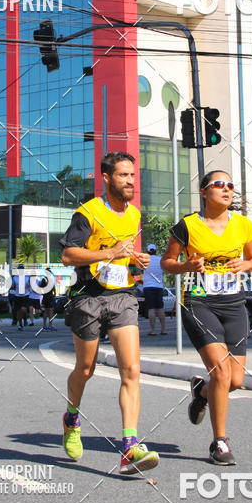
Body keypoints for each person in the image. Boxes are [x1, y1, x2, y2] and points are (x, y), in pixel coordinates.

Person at [60, 151, 159, 476]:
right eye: (123, 175)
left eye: (132, 175)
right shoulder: (88, 212)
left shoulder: (133, 216)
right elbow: (68, 255)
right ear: (106, 178)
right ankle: (72, 417)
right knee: (85, 369)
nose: (130, 181)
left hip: (122, 296)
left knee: (131, 370)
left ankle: (130, 447)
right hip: (87, 297)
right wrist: (109, 252)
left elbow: (124, 255)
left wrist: (134, 260)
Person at [161, 170, 252, 466]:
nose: (227, 189)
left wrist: (245, 265)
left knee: (236, 380)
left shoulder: (244, 226)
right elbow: (167, 263)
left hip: (234, 304)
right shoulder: (188, 226)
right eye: (219, 184)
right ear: (204, 192)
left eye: (230, 185)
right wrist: (186, 265)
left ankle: (201, 391)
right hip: (199, 303)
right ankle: (220, 442)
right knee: (221, 373)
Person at [142, 243, 166, 336]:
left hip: (148, 287)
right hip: (159, 286)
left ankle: (153, 330)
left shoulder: (145, 260)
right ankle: (163, 330)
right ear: (155, 250)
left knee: (151, 309)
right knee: (160, 308)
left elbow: (139, 270)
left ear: (147, 251)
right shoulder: (161, 260)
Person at [11, 265, 29, 329]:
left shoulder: (27, 277)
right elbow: (12, 285)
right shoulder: (15, 277)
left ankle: (25, 319)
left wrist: (29, 285)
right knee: (18, 311)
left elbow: (30, 284)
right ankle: (20, 324)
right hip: (17, 296)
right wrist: (11, 285)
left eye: (22, 269)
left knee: (23, 309)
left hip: (25, 295)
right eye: (20, 269)